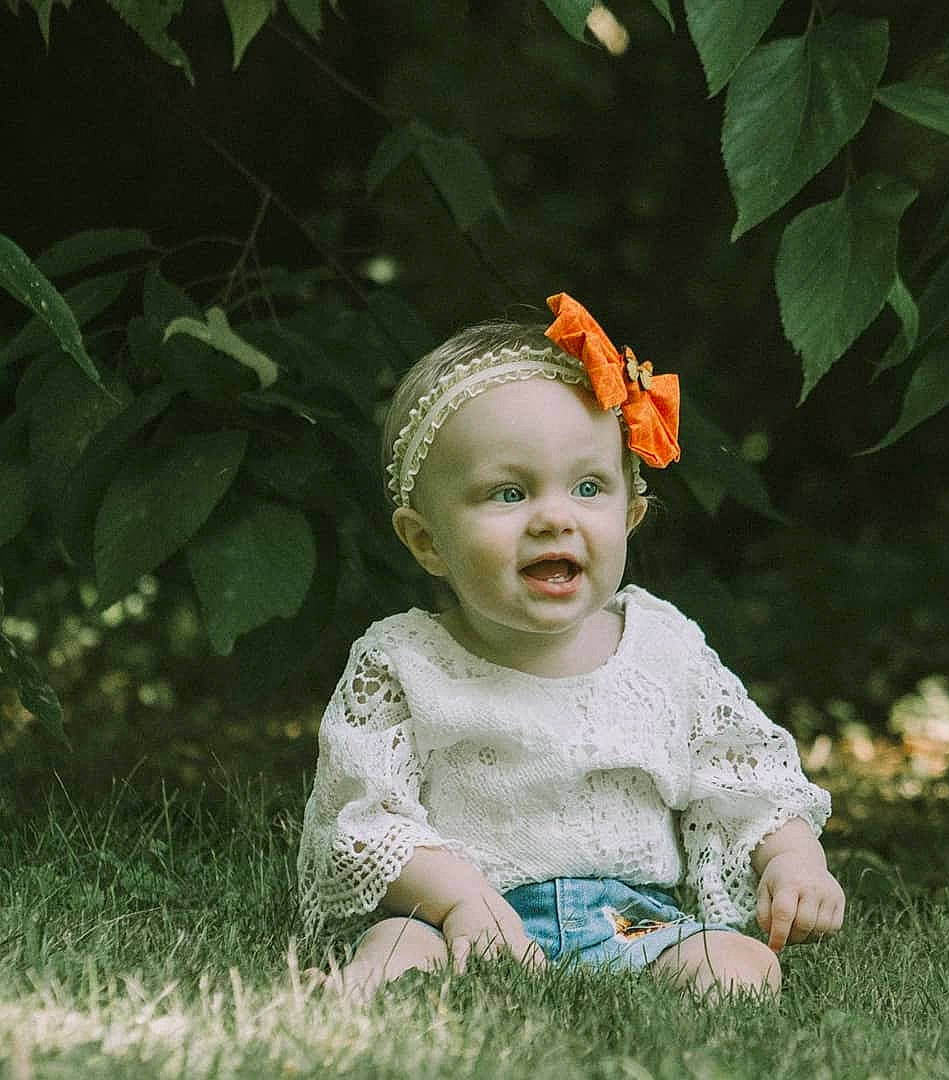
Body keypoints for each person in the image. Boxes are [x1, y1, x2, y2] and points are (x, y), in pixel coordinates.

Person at [297, 293, 845, 1001]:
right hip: (455, 910)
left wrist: (794, 862)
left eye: (588, 487)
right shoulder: (403, 663)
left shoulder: (663, 650)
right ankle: (364, 993)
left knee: (742, 966)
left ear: (631, 514)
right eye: (507, 493)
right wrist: (459, 900)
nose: (554, 517)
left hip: (629, 922)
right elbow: (363, 819)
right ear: (426, 540)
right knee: (398, 944)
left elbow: (742, 776)